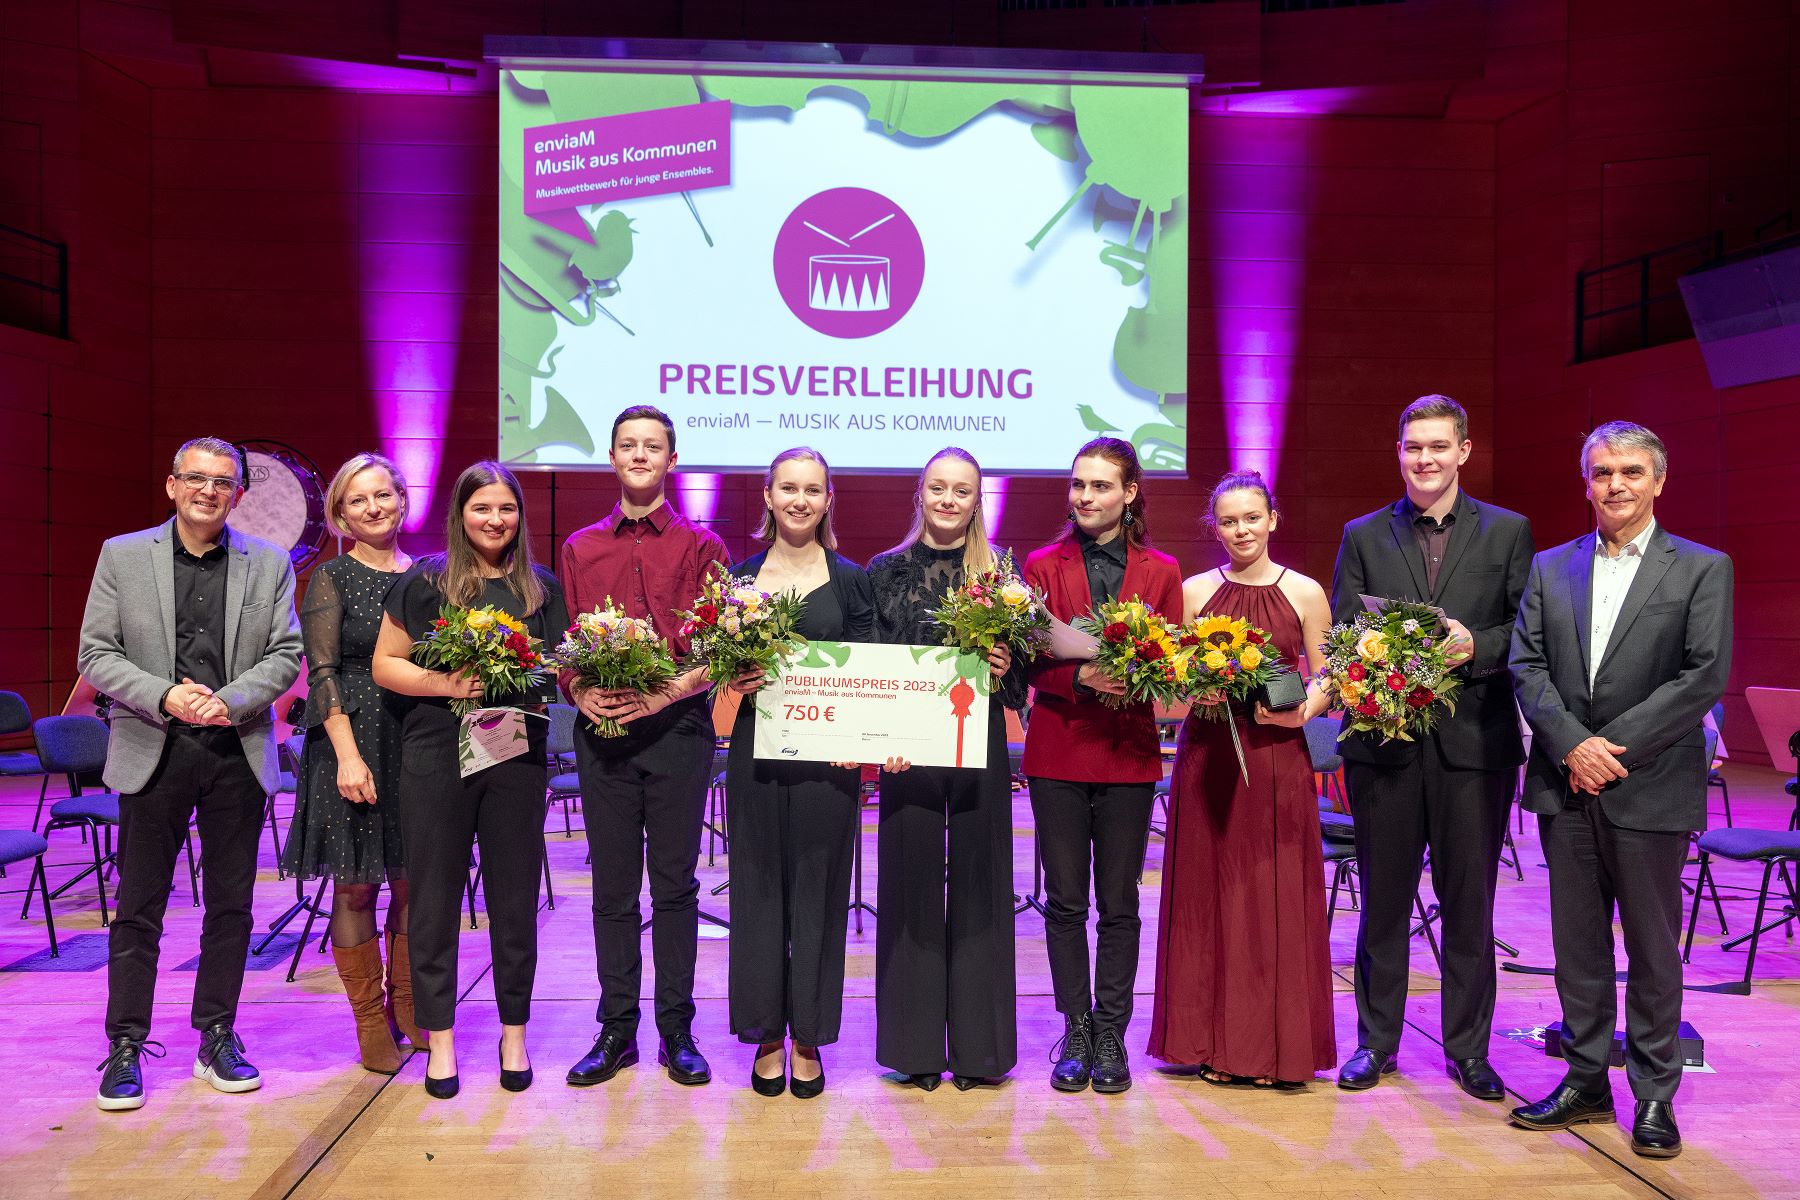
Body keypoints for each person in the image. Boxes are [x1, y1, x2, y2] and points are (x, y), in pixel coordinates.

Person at [1508, 421, 1732, 1159]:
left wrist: (1609, 750)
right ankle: (1585, 1082)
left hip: (1650, 786)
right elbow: (1526, 667)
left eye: (1632, 472)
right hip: (1565, 785)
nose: (1616, 485)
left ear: (1658, 481)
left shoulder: (1701, 568)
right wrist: (1573, 744)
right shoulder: (1550, 567)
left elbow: (1701, 677)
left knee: (1652, 949)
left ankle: (1656, 1096)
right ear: (1587, 482)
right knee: (1576, 948)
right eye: (1603, 472)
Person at [79, 436, 303, 1111]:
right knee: (139, 908)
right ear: (171, 485)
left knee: (230, 907)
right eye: (197, 478)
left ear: (238, 492)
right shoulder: (122, 555)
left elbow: (287, 653)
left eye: (223, 481)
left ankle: (217, 1035)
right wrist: (164, 694)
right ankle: (125, 1044)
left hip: (235, 750)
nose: (210, 490)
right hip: (155, 744)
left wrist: (228, 701)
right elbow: (96, 651)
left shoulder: (268, 564)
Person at [1329, 394, 1533, 1098]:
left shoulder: (1509, 532)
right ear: (1399, 451)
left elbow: (1524, 631)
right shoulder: (1362, 534)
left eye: (1438, 447)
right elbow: (1344, 636)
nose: (1425, 459)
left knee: (1469, 904)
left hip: (1475, 745)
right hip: (1385, 749)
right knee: (1382, 902)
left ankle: (1469, 1051)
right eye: (1413, 447)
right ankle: (1375, 1043)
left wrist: (1479, 646)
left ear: (1463, 452)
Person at [372, 461, 567, 1099]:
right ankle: (442, 1041)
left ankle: (514, 1034)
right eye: (482, 508)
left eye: (506, 509)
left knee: (515, 902)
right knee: (433, 902)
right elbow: (386, 664)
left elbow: (556, 671)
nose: (495, 520)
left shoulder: (540, 588)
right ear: (461, 514)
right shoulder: (426, 580)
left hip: (514, 754)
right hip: (435, 756)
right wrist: (447, 683)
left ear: (520, 517)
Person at [1146, 470, 1336, 1088]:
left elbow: (1326, 675)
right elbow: (1172, 671)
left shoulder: (1305, 591)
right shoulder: (1196, 590)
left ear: (1272, 518)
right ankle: (1208, 1043)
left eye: (1251, 517)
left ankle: (1270, 1051)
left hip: (1278, 759)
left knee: (1269, 896)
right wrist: (1195, 686)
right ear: (1215, 527)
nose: (1241, 530)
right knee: (1211, 896)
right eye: (1228, 521)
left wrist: (1301, 713)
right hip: (1211, 758)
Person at [560, 406, 730, 1089]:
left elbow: (720, 651)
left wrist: (662, 696)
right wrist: (578, 691)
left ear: (671, 460)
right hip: (603, 735)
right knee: (610, 891)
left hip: (678, 732)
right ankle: (616, 1028)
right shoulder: (579, 547)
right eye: (627, 445)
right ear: (611, 458)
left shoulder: (702, 546)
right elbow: (567, 646)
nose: (638, 455)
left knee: (675, 888)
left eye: (651, 446)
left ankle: (677, 1029)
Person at [1022, 436, 1182, 1094]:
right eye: (1078, 485)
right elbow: (1028, 657)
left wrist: (1138, 678)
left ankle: (1112, 1030)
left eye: (1099, 485)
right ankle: (1077, 1025)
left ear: (1130, 492)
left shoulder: (1163, 570)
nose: (1085, 496)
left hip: (1130, 754)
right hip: (1059, 747)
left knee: (1119, 904)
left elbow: (1173, 661)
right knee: (1064, 903)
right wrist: (1084, 679)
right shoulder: (1040, 564)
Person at [867, 447, 1023, 1093]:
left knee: (983, 892)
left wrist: (1005, 667)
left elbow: (1023, 676)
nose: (950, 500)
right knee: (909, 893)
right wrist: (879, 740)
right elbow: (870, 667)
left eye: (963, 490)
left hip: (979, 747)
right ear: (920, 495)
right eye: (939, 488)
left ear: (976, 500)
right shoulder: (883, 572)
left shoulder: (1003, 577)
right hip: (909, 754)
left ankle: (981, 1054)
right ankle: (915, 1049)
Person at [724, 448, 874, 1098]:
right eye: (789, 488)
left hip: (829, 761)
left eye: (813, 489)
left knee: (818, 893)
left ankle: (809, 1034)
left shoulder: (851, 580)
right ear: (768, 495)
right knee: (757, 891)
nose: (800, 500)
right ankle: (764, 1033)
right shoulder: (738, 578)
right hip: (756, 753)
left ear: (828, 498)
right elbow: (720, 668)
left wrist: (861, 740)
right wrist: (735, 673)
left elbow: (872, 675)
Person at [280, 453, 417, 1074]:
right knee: (359, 882)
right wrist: (346, 756)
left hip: (417, 740)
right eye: (358, 500)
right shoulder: (332, 578)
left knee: (414, 879)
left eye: (383, 495)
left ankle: (408, 1006)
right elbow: (324, 671)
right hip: (353, 739)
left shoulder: (431, 575)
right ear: (340, 513)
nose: (373, 507)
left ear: (402, 500)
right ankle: (369, 1021)